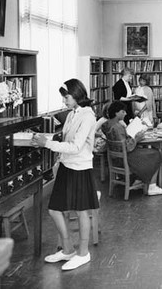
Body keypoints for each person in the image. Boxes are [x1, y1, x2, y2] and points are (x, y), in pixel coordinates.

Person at [31, 78, 99, 271]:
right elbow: (66, 137)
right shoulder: (72, 114)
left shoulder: (87, 115)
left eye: (66, 97)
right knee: (54, 209)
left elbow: (77, 146)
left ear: (77, 94)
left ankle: (83, 253)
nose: (64, 101)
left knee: (81, 211)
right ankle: (68, 249)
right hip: (66, 165)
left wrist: (48, 144)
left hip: (79, 167)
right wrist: (44, 139)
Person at [101, 100, 162, 196]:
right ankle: (152, 186)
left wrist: (132, 138)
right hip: (125, 158)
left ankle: (138, 180)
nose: (126, 113)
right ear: (116, 113)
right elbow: (127, 147)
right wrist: (136, 138)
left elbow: (121, 143)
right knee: (156, 153)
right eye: (123, 111)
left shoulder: (107, 124)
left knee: (146, 151)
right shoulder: (117, 127)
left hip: (115, 157)